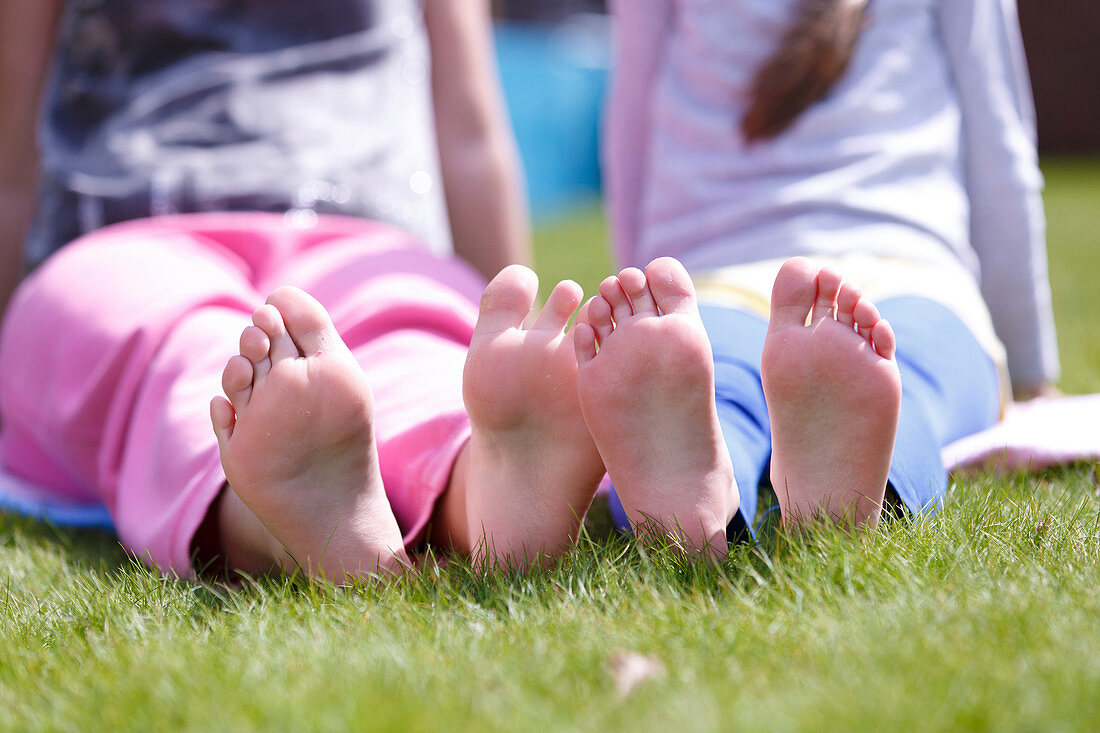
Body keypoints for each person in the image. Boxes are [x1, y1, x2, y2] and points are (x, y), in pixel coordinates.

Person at [0, 0, 610, 581]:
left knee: (410, 348)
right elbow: (469, 135)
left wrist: (505, 350)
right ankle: (320, 497)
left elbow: (469, 134)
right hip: (136, 243)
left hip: (351, 241)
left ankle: (486, 478)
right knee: (188, 351)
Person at [590, 0, 1059, 541]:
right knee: (912, 387)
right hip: (913, 269)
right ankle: (861, 483)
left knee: (715, 394)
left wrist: (644, 306)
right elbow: (998, 143)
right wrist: (1030, 372)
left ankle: (696, 495)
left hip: (713, 274)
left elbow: (630, 133)